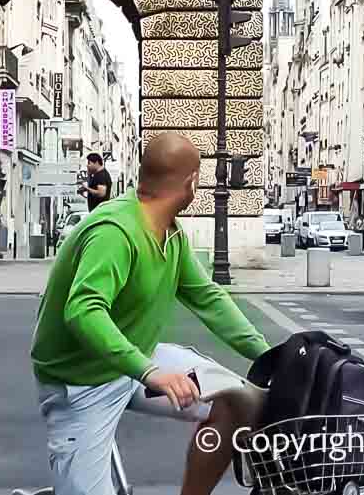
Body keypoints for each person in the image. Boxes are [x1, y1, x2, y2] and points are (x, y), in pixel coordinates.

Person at [32, 132, 270, 495]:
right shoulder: (116, 231)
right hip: (82, 383)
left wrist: (269, 357)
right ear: (193, 182)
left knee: (234, 401)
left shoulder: (170, 233)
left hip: (137, 361)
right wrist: (150, 372)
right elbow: (83, 310)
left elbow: (208, 297)